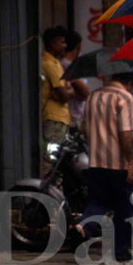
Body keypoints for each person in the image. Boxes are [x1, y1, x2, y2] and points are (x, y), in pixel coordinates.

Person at [76, 72, 133, 262]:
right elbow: (125, 133)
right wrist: (131, 161)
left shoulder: (93, 96)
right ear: (129, 83)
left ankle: (83, 228)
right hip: (117, 164)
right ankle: (120, 251)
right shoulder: (124, 97)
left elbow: (83, 129)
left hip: (95, 162)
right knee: (123, 209)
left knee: (98, 202)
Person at [41, 26, 77, 177]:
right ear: (52, 43)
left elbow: (68, 92)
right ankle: (44, 192)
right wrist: (66, 92)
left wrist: (66, 92)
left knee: (58, 160)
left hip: (60, 119)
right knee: (50, 159)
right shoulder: (49, 64)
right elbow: (65, 95)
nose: (65, 46)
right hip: (53, 119)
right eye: (62, 42)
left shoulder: (56, 63)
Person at [59, 29, 90, 128]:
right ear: (78, 46)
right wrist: (74, 93)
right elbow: (85, 93)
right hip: (71, 118)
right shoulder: (66, 65)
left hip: (73, 116)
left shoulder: (70, 64)